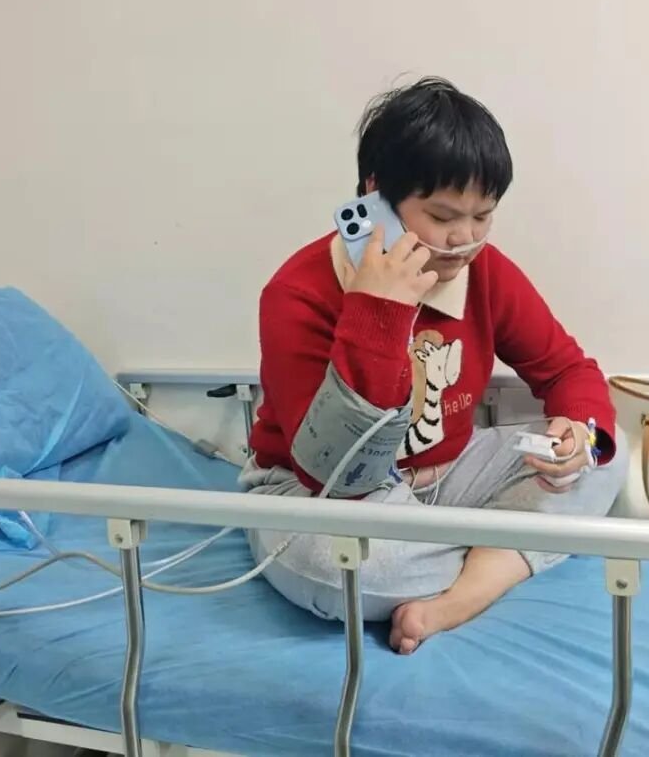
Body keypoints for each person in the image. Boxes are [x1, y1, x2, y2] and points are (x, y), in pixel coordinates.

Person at [241, 76, 627, 654]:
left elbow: (570, 371)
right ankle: (503, 551)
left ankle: (465, 590)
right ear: (376, 194)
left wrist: (576, 432)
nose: (464, 239)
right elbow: (334, 473)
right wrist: (379, 313)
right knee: (332, 564)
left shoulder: (485, 271)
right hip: (317, 492)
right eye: (443, 215)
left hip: (448, 474)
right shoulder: (298, 293)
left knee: (606, 452)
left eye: (483, 217)